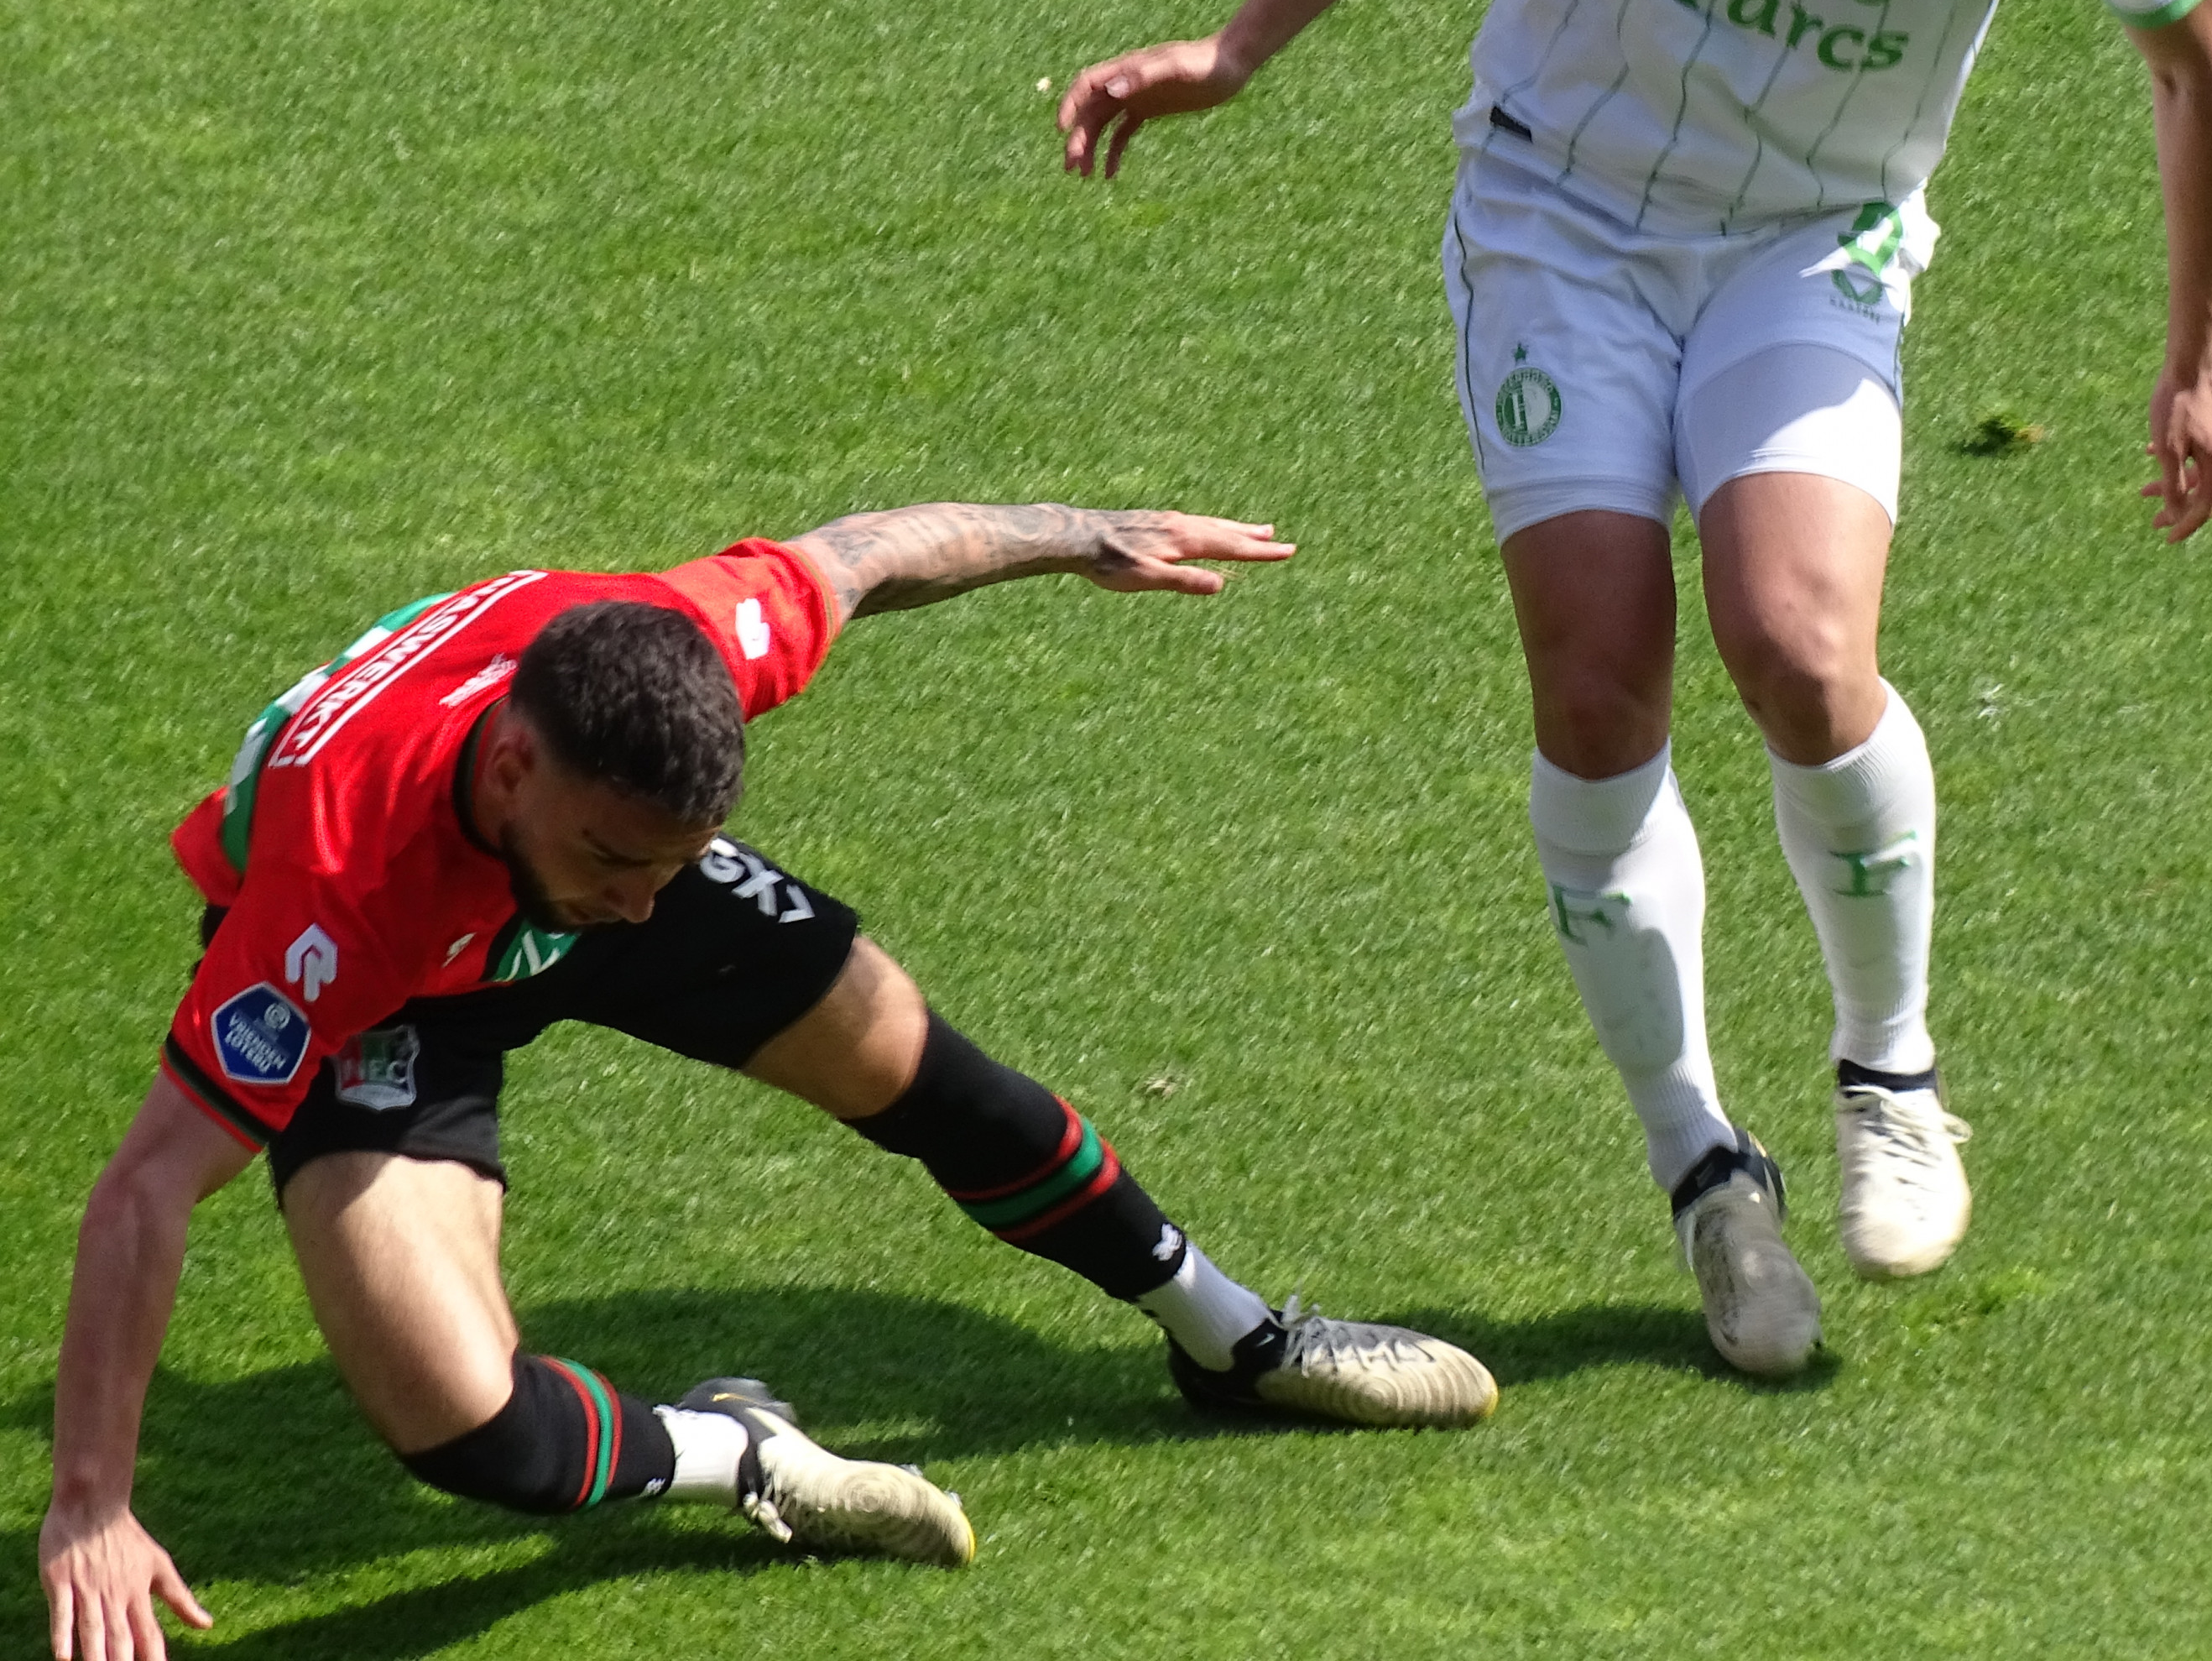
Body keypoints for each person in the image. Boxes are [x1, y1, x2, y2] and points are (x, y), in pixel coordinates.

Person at [1056, 0, 2212, 1378]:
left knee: (1795, 643)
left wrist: (2192, 355)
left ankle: (1891, 1071)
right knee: (1602, 681)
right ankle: (1706, 1168)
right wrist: (1240, 43)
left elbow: (2195, 51)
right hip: (1562, 209)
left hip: (1814, 243)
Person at [42, 499, 1498, 1661]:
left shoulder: (667, 680)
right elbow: (148, 1187)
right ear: (510, 769)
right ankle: (737, 1452)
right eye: (621, 858)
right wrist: (90, 1506)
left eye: (668, 860)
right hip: (403, 990)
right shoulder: (328, 894)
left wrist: (1079, 532)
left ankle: (1237, 1344)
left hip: (518, 887)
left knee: (925, 1072)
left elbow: (864, 556)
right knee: (465, 1424)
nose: (636, 900)